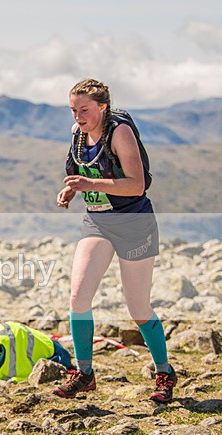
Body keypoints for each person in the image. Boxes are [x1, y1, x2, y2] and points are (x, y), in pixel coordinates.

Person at [55, 78, 177, 403]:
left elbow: (136, 186)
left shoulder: (119, 132)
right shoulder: (77, 135)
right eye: (73, 110)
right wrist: (71, 189)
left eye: (84, 110)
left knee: (138, 307)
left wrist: (86, 182)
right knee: (78, 297)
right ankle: (84, 373)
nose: (78, 116)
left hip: (134, 223)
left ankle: (164, 371)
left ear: (102, 107)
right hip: (98, 221)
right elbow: (81, 174)